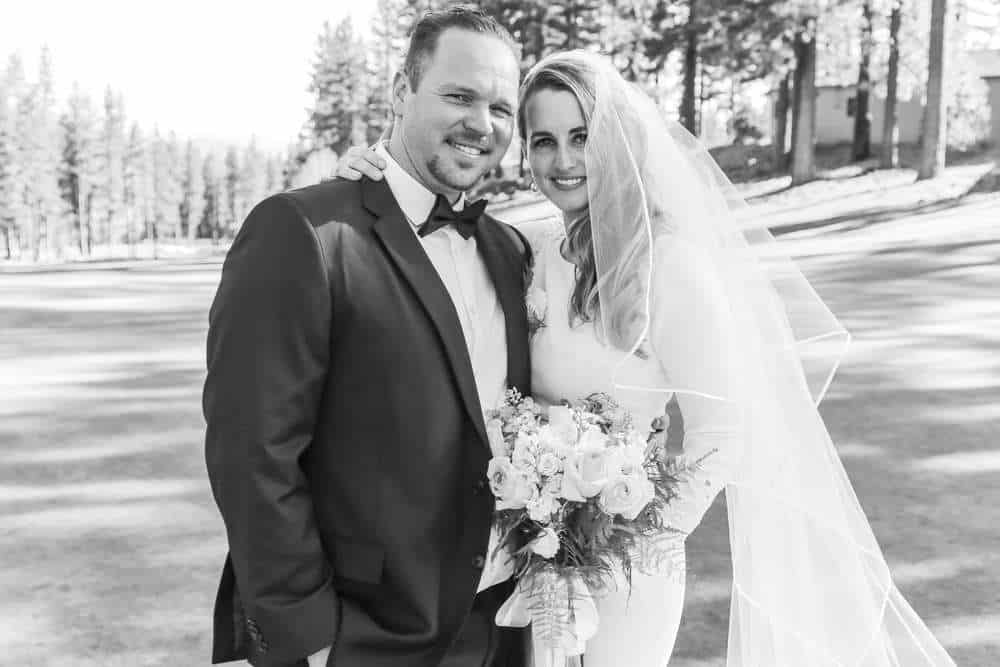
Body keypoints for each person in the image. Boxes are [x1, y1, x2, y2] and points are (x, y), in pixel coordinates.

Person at [336, 50, 957, 667]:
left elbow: (723, 431)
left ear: (617, 140)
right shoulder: (531, 252)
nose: (563, 160)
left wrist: (624, 540)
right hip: (534, 561)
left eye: (582, 137)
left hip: (628, 569)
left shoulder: (671, 265)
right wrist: (373, 176)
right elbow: (434, 249)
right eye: (544, 141)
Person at [203, 6, 531, 667]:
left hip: (500, 626)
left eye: (500, 107)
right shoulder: (305, 232)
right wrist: (310, 635)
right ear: (401, 92)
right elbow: (253, 450)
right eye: (459, 96)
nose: (482, 123)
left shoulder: (511, 250)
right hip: (366, 635)